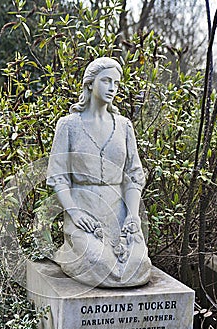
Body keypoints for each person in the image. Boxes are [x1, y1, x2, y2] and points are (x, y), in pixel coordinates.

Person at [46, 57, 151, 287]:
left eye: (116, 83)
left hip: (120, 211)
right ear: (90, 83)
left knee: (138, 265)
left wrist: (133, 215)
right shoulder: (69, 125)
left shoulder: (124, 126)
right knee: (100, 264)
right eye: (106, 81)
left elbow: (134, 175)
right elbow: (58, 177)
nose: (112, 88)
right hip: (84, 210)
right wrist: (75, 213)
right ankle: (72, 250)